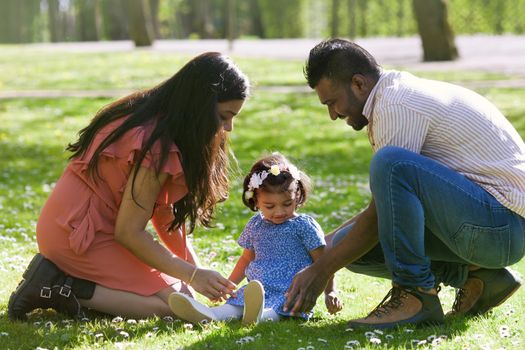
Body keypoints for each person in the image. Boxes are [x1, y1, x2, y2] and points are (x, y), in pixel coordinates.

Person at [284, 38, 525, 329]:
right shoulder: (391, 95)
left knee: (391, 163)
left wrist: (321, 270)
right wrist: (323, 249)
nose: (332, 115)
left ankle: (415, 295)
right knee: (347, 242)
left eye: (332, 102)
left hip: (503, 227)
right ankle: (483, 278)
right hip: (492, 224)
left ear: (359, 84)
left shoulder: (396, 104)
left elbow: (381, 210)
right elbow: (390, 209)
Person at [8, 52, 250, 321]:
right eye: (224, 116)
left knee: (185, 298)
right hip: (76, 236)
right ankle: (55, 286)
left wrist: (196, 273)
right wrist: (191, 275)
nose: (227, 127)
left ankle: (80, 290)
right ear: (199, 105)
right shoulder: (155, 143)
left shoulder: (159, 119)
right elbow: (129, 232)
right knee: (174, 308)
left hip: (89, 229)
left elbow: (163, 214)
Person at [169, 153, 342, 325]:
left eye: (287, 204)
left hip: (292, 292)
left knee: (275, 308)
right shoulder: (256, 225)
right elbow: (246, 259)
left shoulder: (304, 226)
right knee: (236, 304)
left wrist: (330, 292)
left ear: (297, 196)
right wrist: (227, 287)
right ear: (256, 200)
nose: (279, 211)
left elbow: (324, 262)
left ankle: (258, 316)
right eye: (270, 206)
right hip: (259, 289)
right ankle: (209, 314)